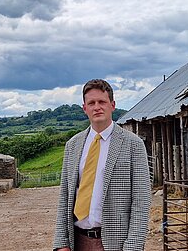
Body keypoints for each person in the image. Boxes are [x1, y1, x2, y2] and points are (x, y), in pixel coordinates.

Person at [53, 79, 151, 251]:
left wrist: (133, 246)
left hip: (117, 244)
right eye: (91, 103)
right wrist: (61, 242)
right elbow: (65, 196)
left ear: (112, 105)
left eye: (102, 102)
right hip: (78, 241)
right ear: (85, 108)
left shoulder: (133, 144)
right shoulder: (73, 145)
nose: (97, 107)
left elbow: (141, 201)